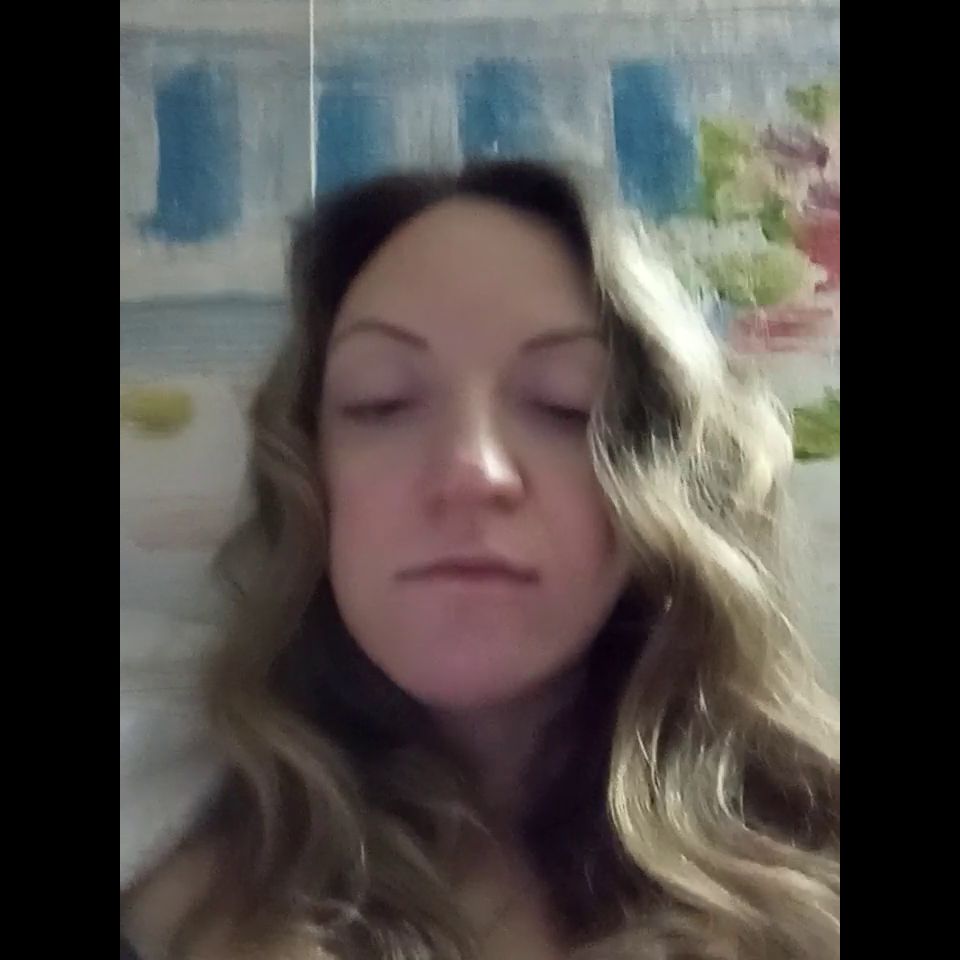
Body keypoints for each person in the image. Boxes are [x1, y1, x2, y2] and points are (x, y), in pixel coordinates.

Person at [120, 159, 840, 960]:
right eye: (381, 401)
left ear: (660, 478)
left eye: (565, 405)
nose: (472, 470)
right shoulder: (165, 865)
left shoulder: (817, 855)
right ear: (310, 479)